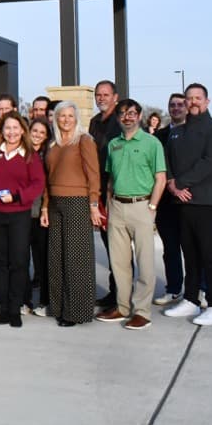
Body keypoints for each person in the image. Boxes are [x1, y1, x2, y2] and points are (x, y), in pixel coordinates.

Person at [163, 83, 212, 326]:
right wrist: (172, 184)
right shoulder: (178, 132)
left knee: (211, 256)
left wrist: (181, 183)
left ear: (207, 101)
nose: (193, 102)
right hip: (182, 203)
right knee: (189, 254)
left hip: (208, 202)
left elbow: (210, 163)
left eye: (197, 98)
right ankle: (191, 299)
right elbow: (167, 160)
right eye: (189, 98)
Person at [95, 99, 166, 331]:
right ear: (118, 118)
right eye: (123, 114)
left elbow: (160, 178)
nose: (127, 117)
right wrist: (107, 204)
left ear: (139, 115)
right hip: (116, 207)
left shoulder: (151, 143)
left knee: (144, 263)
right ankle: (122, 307)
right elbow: (111, 179)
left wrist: (152, 207)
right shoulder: (113, 144)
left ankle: (142, 312)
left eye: (132, 113)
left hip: (142, 206)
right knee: (119, 263)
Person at [41, 101, 102, 327]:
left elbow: (93, 174)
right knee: (56, 257)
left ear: (76, 119)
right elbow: (48, 178)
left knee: (76, 259)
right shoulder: (53, 144)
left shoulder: (84, 141)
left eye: (70, 116)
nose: (66, 119)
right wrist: (46, 206)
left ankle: (77, 311)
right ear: (55, 119)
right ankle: (58, 306)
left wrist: (93, 204)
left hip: (78, 202)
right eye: (61, 116)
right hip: (55, 203)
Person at [0, 113, 46, 328]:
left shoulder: (30, 155)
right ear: (1, 131)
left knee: (19, 262)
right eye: (7, 128)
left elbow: (38, 184)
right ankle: (4, 308)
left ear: (23, 131)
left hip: (20, 213)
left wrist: (17, 195)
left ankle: (16, 307)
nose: (11, 132)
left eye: (15, 128)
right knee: (0, 262)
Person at [89, 80, 123, 311]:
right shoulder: (94, 122)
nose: (101, 98)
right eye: (98, 95)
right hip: (98, 191)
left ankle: (123, 295)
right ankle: (114, 293)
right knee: (109, 245)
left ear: (115, 97)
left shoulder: (121, 121)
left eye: (105, 94)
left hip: (116, 192)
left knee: (119, 248)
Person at [153, 94, 189, 306]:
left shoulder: (194, 132)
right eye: (172, 105)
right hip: (166, 201)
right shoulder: (160, 135)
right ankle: (174, 288)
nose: (175, 108)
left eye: (179, 105)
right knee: (171, 248)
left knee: (192, 248)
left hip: (188, 198)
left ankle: (198, 289)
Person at [25, 118, 52, 316]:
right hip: (22, 212)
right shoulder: (21, 152)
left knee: (42, 260)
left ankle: (45, 301)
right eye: (35, 130)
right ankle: (23, 300)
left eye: (42, 132)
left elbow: (49, 186)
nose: (37, 135)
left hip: (41, 213)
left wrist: (44, 208)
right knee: (21, 260)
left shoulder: (48, 155)